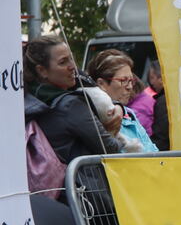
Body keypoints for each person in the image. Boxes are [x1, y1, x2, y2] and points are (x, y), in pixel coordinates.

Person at [23, 35, 123, 166]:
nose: (73, 66)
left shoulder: (30, 99)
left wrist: (118, 106)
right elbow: (110, 148)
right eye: (63, 62)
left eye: (71, 58)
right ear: (42, 71)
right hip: (85, 184)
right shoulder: (71, 105)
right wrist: (117, 132)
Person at [86, 50, 156, 152]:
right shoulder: (92, 117)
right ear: (101, 83)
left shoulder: (129, 113)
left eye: (131, 81)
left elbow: (153, 151)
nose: (130, 87)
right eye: (123, 80)